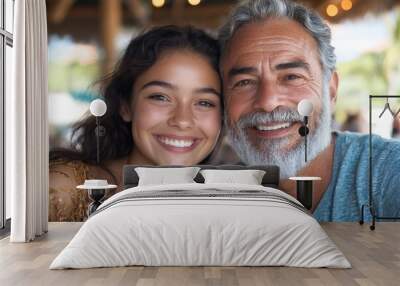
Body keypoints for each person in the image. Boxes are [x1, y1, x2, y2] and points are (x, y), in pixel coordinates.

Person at [218, 0, 400, 221]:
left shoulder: (386, 172)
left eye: (292, 77)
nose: (267, 101)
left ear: (331, 89)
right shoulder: (217, 201)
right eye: (244, 82)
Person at [50, 25, 223, 221]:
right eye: (160, 97)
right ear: (126, 106)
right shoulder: (66, 189)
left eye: (204, 102)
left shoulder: (227, 205)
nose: (182, 120)